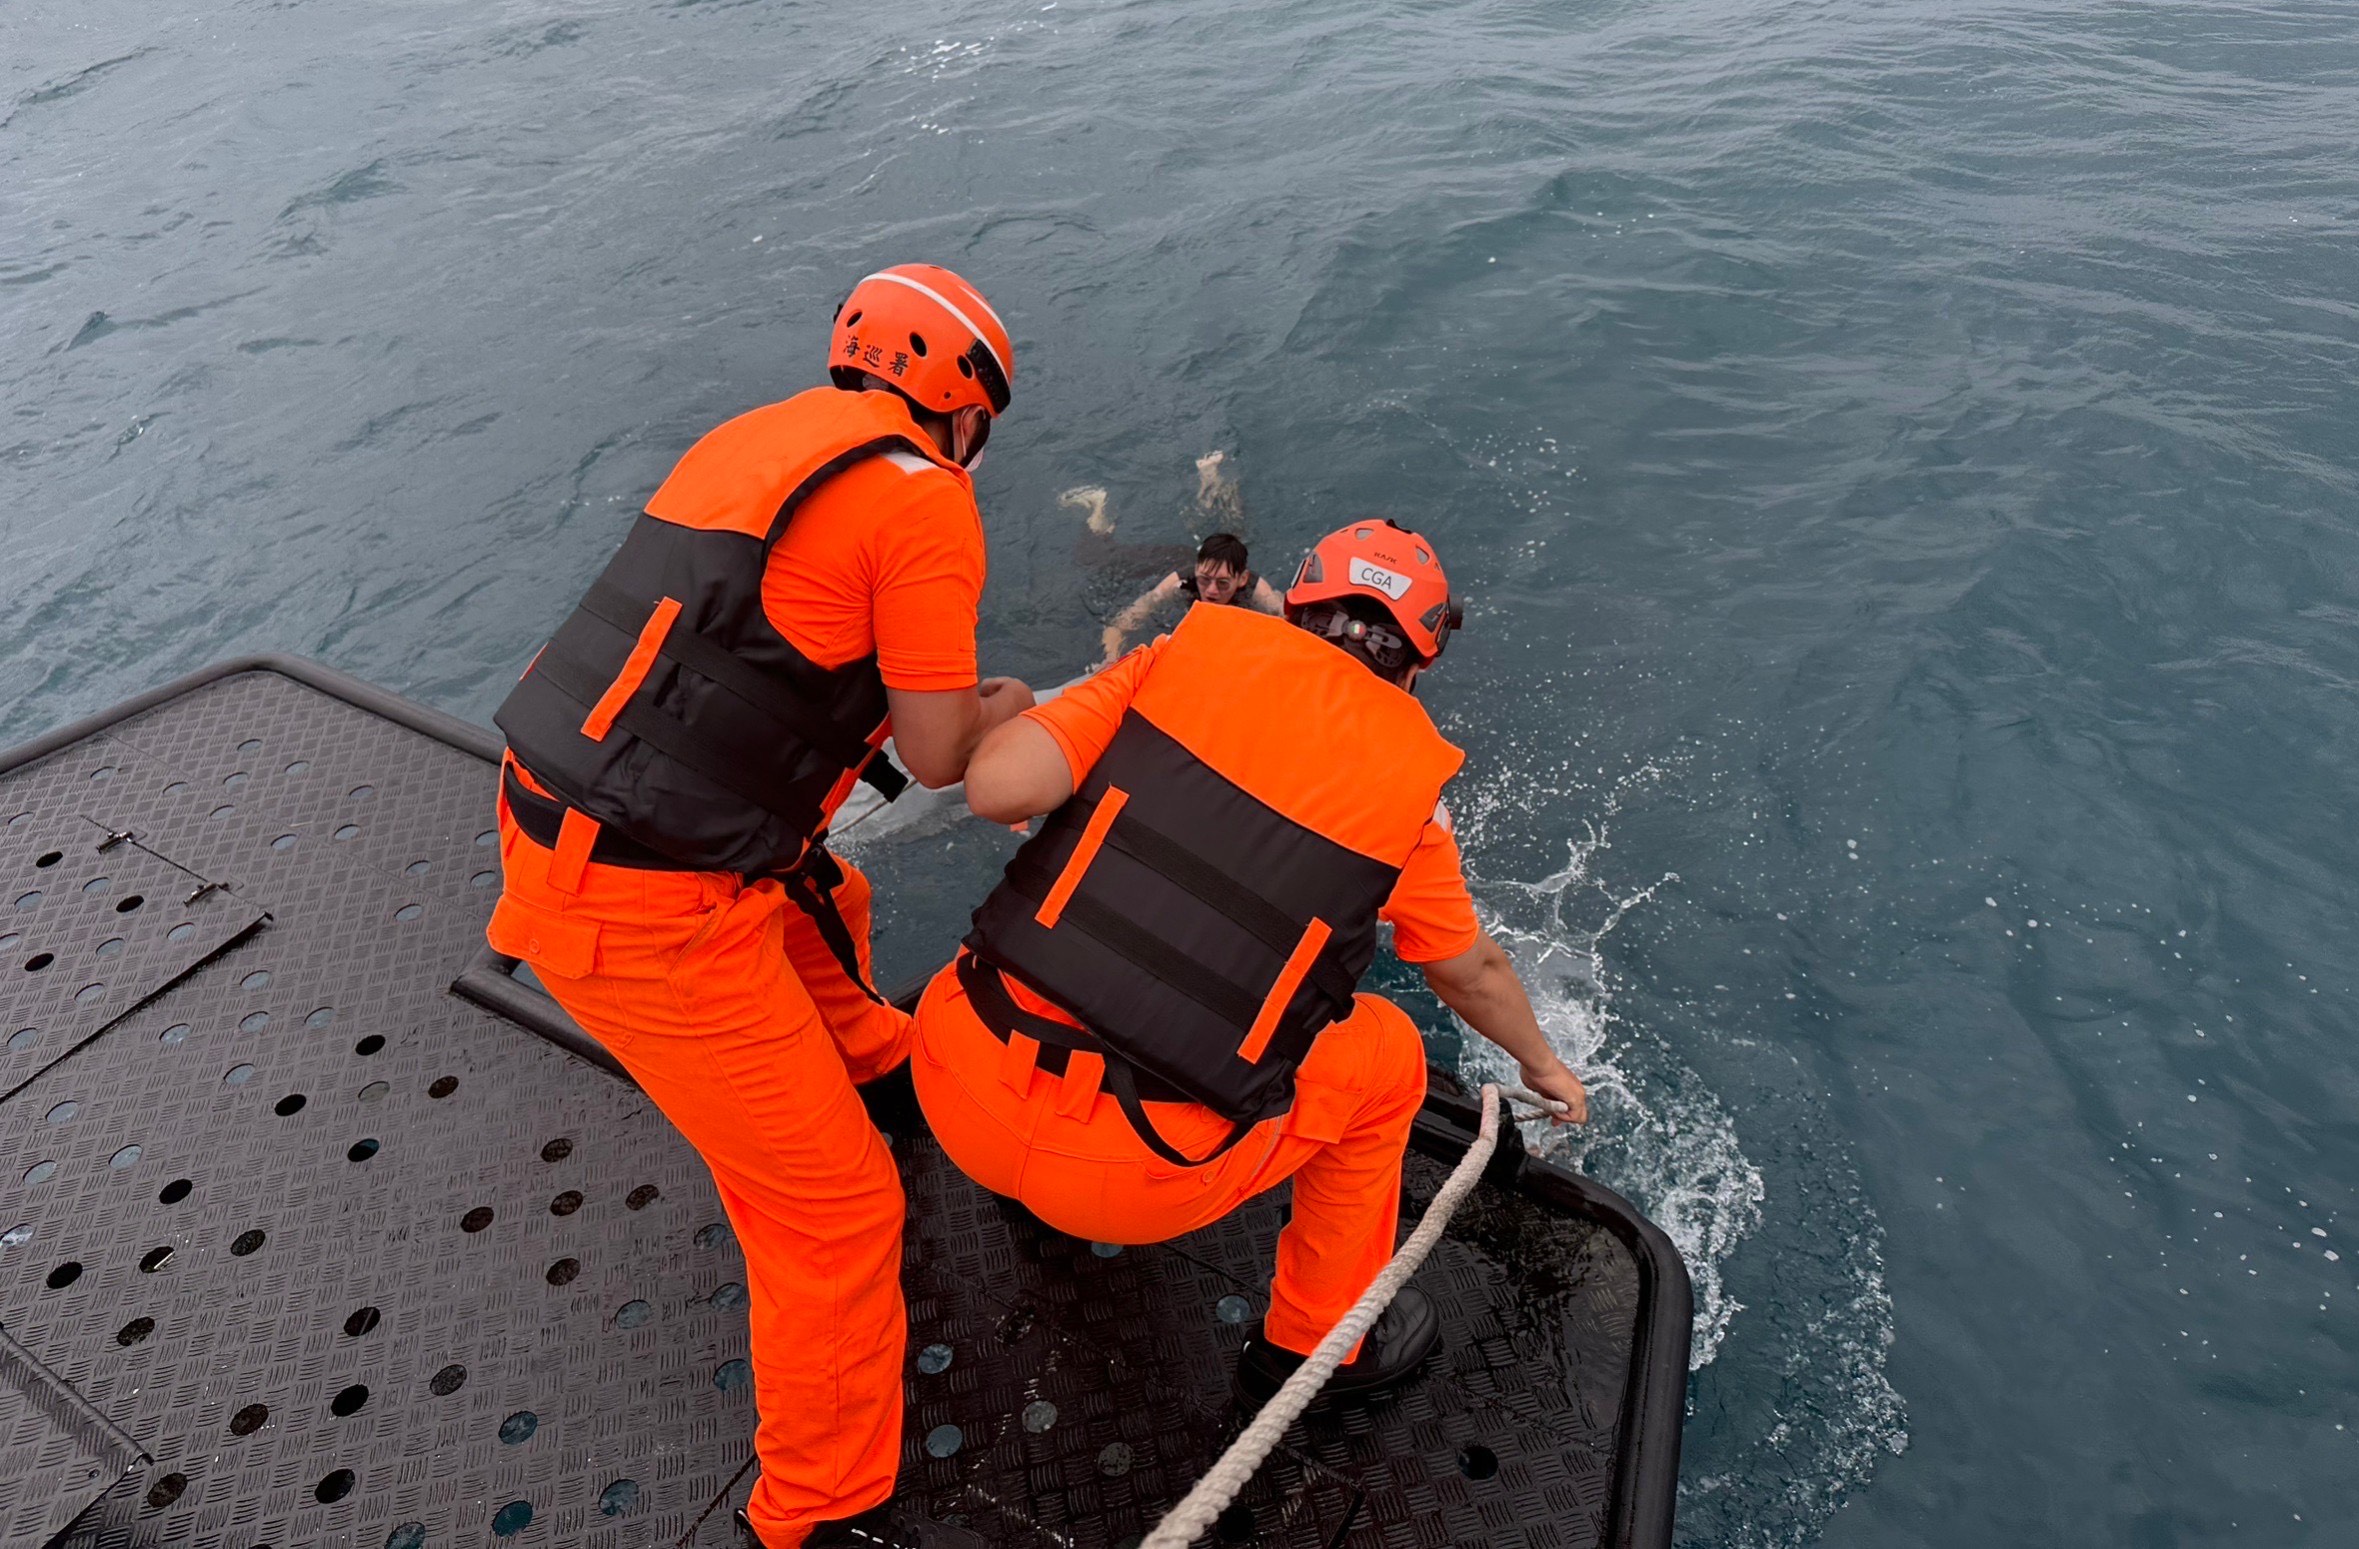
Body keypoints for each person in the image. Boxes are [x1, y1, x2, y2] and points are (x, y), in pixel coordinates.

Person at [483, 264, 1035, 1548]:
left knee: (817, 889)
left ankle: (874, 1065)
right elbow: (943, 752)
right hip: (642, 910)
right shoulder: (930, 505)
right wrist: (1007, 709)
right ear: (967, 411)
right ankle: (818, 1509)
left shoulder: (756, 439)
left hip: (561, 809)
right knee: (835, 1212)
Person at [908, 518, 1587, 1407]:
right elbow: (1472, 973)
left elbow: (998, 788)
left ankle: (1033, 1193)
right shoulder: (1406, 791)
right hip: (1136, 1174)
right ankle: (1317, 1343)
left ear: (1295, 608)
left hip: (955, 1083)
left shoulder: (1168, 659)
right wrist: (1544, 1066)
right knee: (1387, 1054)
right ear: (1418, 664)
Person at [1100, 532, 1284, 663]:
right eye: (1204, 580)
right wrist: (1111, 656)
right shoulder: (1181, 581)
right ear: (1196, 570)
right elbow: (1123, 620)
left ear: (1241, 579)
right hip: (1174, 556)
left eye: (1222, 583)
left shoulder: (1254, 587)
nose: (1211, 591)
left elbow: (1284, 612)